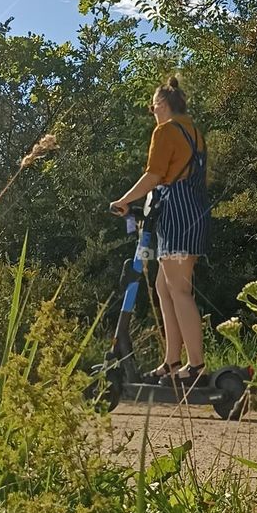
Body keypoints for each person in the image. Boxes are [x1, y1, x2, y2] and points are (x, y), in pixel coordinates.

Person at [109, 76, 210, 389]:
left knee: (179, 289)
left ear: (162, 105)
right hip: (192, 208)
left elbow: (154, 175)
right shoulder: (193, 130)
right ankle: (171, 362)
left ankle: (196, 367)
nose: (152, 112)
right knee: (164, 287)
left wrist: (124, 201)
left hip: (177, 211)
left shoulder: (165, 130)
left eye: (153, 107)